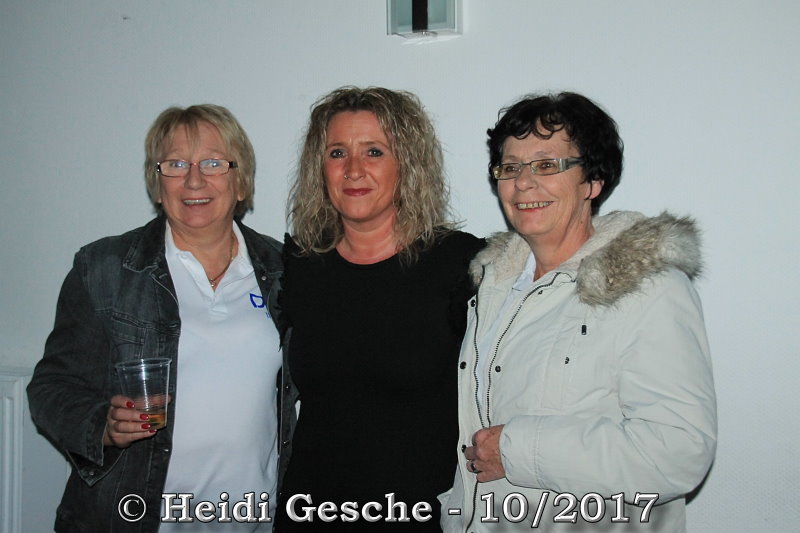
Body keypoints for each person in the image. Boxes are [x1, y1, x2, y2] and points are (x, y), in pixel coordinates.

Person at [440, 92, 717, 532]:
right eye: (510, 167)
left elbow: (677, 453)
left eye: (547, 165)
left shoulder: (647, 287)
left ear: (593, 181)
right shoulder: (491, 287)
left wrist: (515, 450)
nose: (523, 182)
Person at [27, 104, 284, 532]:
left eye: (214, 163)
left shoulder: (285, 269)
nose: (194, 180)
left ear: (240, 182)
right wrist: (102, 426)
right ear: (157, 183)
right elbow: (52, 387)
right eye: (176, 164)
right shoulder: (105, 269)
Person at [276, 86, 484, 530]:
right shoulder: (297, 266)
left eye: (374, 151)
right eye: (337, 152)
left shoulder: (461, 264)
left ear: (407, 164)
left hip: (418, 515)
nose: (353, 169)